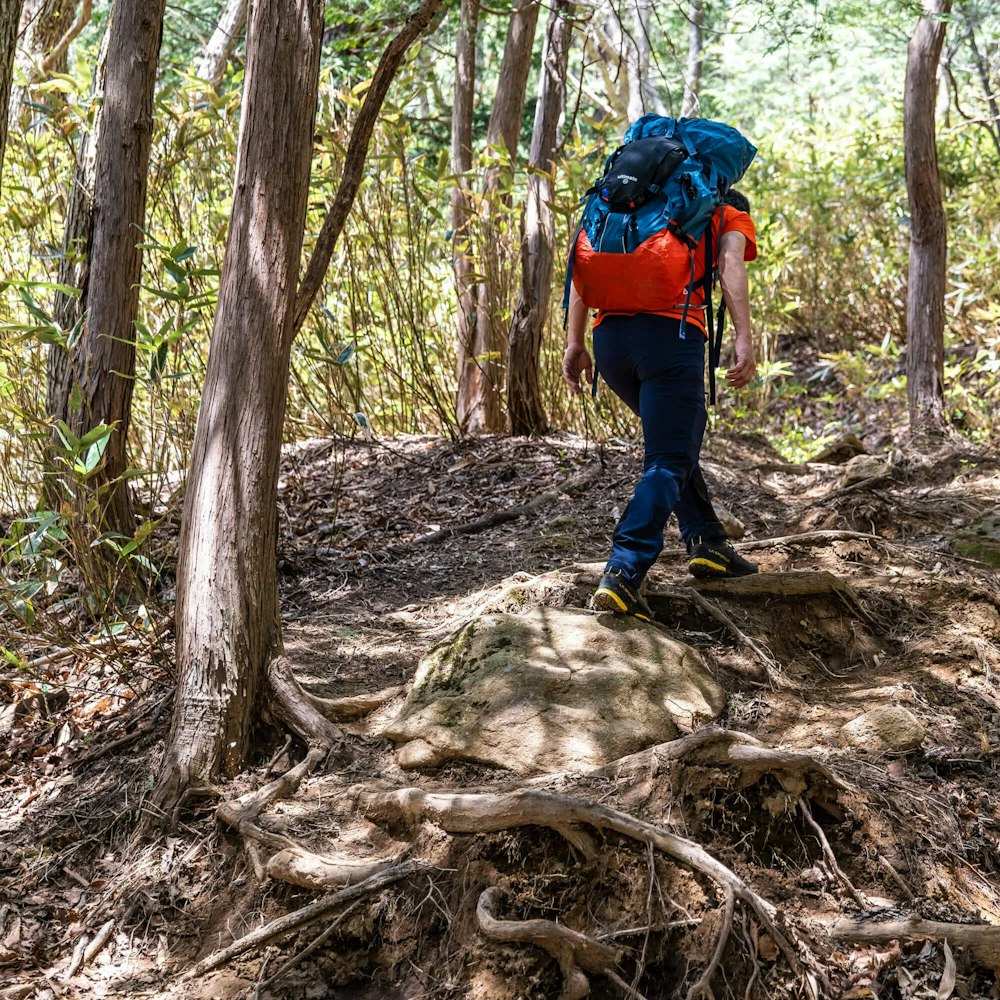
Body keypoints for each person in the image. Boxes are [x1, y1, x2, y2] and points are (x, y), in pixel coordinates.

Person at [562, 188, 759, 620]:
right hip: (670, 338)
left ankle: (708, 542)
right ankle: (624, 571)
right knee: (669, 458)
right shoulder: (728, 215)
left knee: (675, 445)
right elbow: (729, 266)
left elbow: (582, 274)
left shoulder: (623, 213)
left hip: (610, 342)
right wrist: (744, 337)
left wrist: (575, 342)